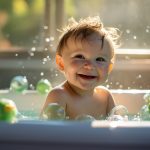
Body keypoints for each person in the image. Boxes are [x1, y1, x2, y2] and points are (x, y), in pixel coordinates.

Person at [41, 16, 121, 120]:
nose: (90, 65)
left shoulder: (105, 97)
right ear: (61, 63)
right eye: (80, 56)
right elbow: (45, 132)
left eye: (100, 59)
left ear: (109, 68)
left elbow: (118, 128)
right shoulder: (59, 96)